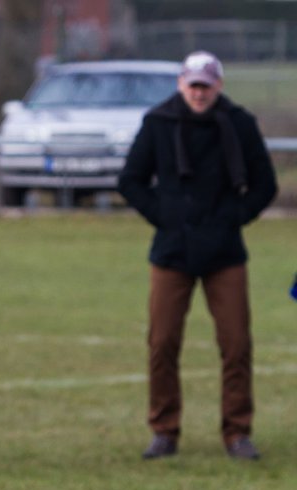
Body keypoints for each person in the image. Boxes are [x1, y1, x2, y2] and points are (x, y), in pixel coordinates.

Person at [118, 50, 277, 461]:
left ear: (218, 86)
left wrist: (234, 218)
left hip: (225, 251)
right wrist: (165, 217)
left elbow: (264, 184)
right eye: (193, 85)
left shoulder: (239, 123)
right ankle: (164, 430)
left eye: (207, 85)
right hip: (172, 251)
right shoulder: (158, 122)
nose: (200, 93)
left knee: (237, 343)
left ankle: (238, 433)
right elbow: (131, 179)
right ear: (181, 85)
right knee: (163, 342)